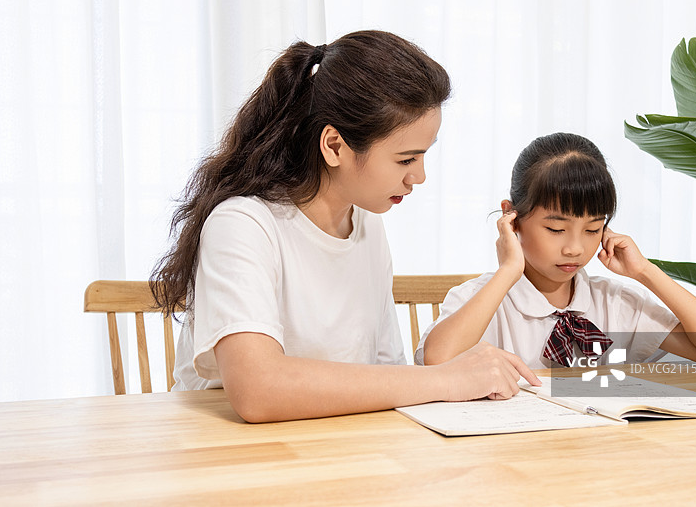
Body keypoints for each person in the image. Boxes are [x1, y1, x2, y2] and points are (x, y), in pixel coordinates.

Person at [150, 30, 540, 423]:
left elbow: (388, 370)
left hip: (333, 442)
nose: (419, 177)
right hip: (232, 453)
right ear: (334, 146)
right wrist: (445, 380)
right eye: (406, 159)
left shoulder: (365, 222)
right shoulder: (243, 224)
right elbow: (258, 390)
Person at [417, 132, 696, 370]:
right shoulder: (482, 300)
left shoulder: (615, 303)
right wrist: (507, 271)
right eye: (556, 229)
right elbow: (437, 360)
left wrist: (645, 272)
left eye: (592, 229)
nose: (575, 248)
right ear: (511, 216)